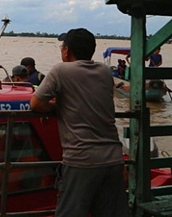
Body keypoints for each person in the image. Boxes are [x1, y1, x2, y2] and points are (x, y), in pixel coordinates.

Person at [30, 28, 128, 217]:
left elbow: (36, 103)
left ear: (66, 51)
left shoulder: (61, 70)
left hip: (81, 160)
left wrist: (55, 108)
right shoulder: (104, 71)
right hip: (114, 158)